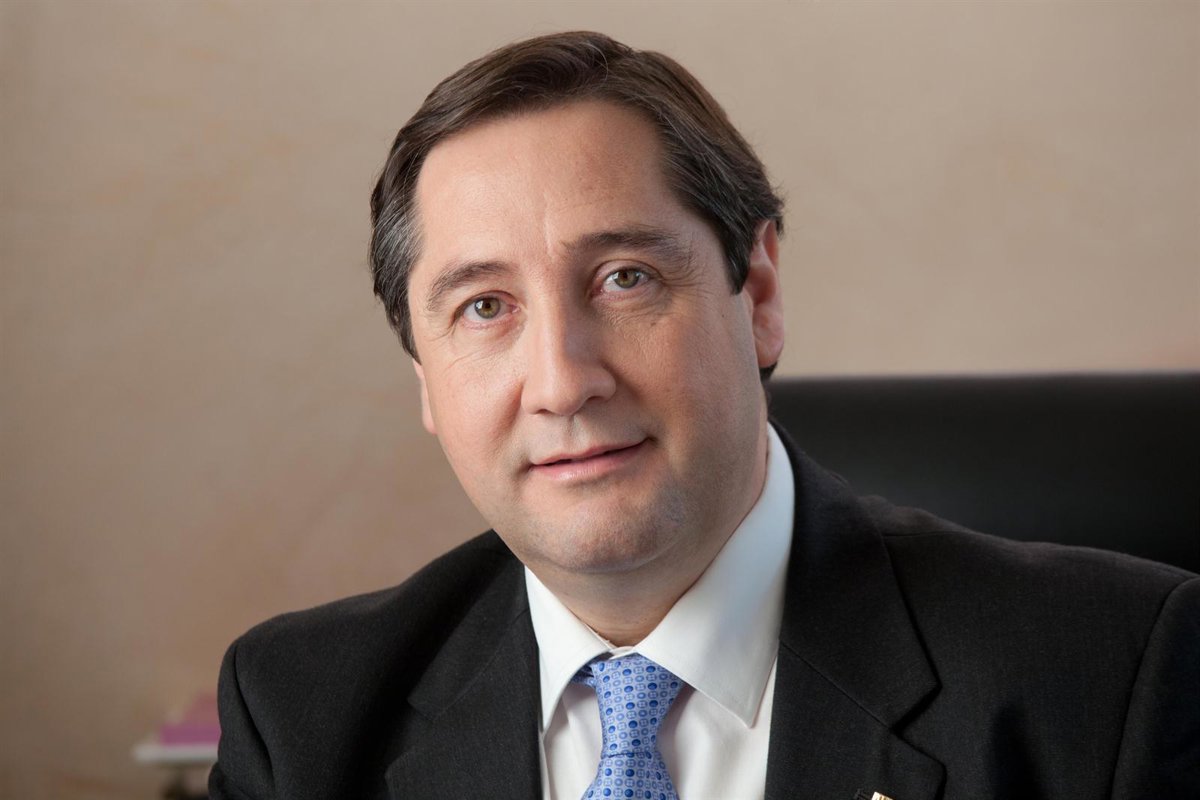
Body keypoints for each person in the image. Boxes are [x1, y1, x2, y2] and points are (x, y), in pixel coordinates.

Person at [209, 31, 1198, 800]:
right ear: (426, 379)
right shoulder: (300, 716)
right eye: (484, 307)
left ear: (757, 293)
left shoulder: (1110, 677)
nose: (563, 382)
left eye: (625, 278)